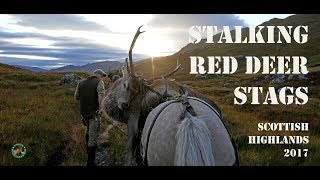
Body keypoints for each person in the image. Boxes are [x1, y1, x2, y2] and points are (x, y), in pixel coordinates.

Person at [74, 69, 106, 166]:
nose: (102, 78)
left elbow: (76, 97)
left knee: (88, 131)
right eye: (102, 76)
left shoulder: (81, 83)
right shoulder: (99, 82)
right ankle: (90, 162)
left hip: (83, 114)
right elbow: (101, 94)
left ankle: (89, 152)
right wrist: (101, 108)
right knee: (93, 136)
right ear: (98, 75)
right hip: (94, 114)